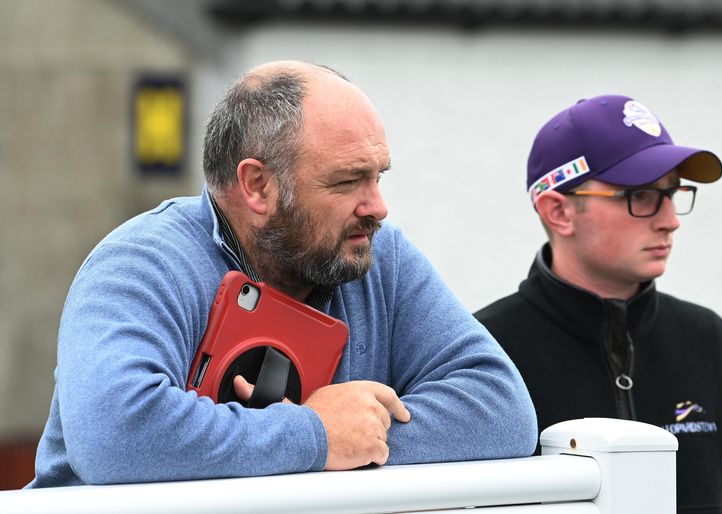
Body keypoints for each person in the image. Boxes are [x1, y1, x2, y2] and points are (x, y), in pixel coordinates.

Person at [28, 61, 537, 487]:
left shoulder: (381, 260)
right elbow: (115, 435)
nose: (378, 207)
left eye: (378, 176)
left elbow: (501, 409)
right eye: (347, 181)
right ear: (257, 185)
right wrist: (313, 435)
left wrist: (348, 438)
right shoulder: (143, 264)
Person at [475, 95, 722, 514]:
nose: (671, 219)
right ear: (559, 212)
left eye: (673, 193)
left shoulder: (711, 341)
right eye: (643, 196)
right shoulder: (484, 352)